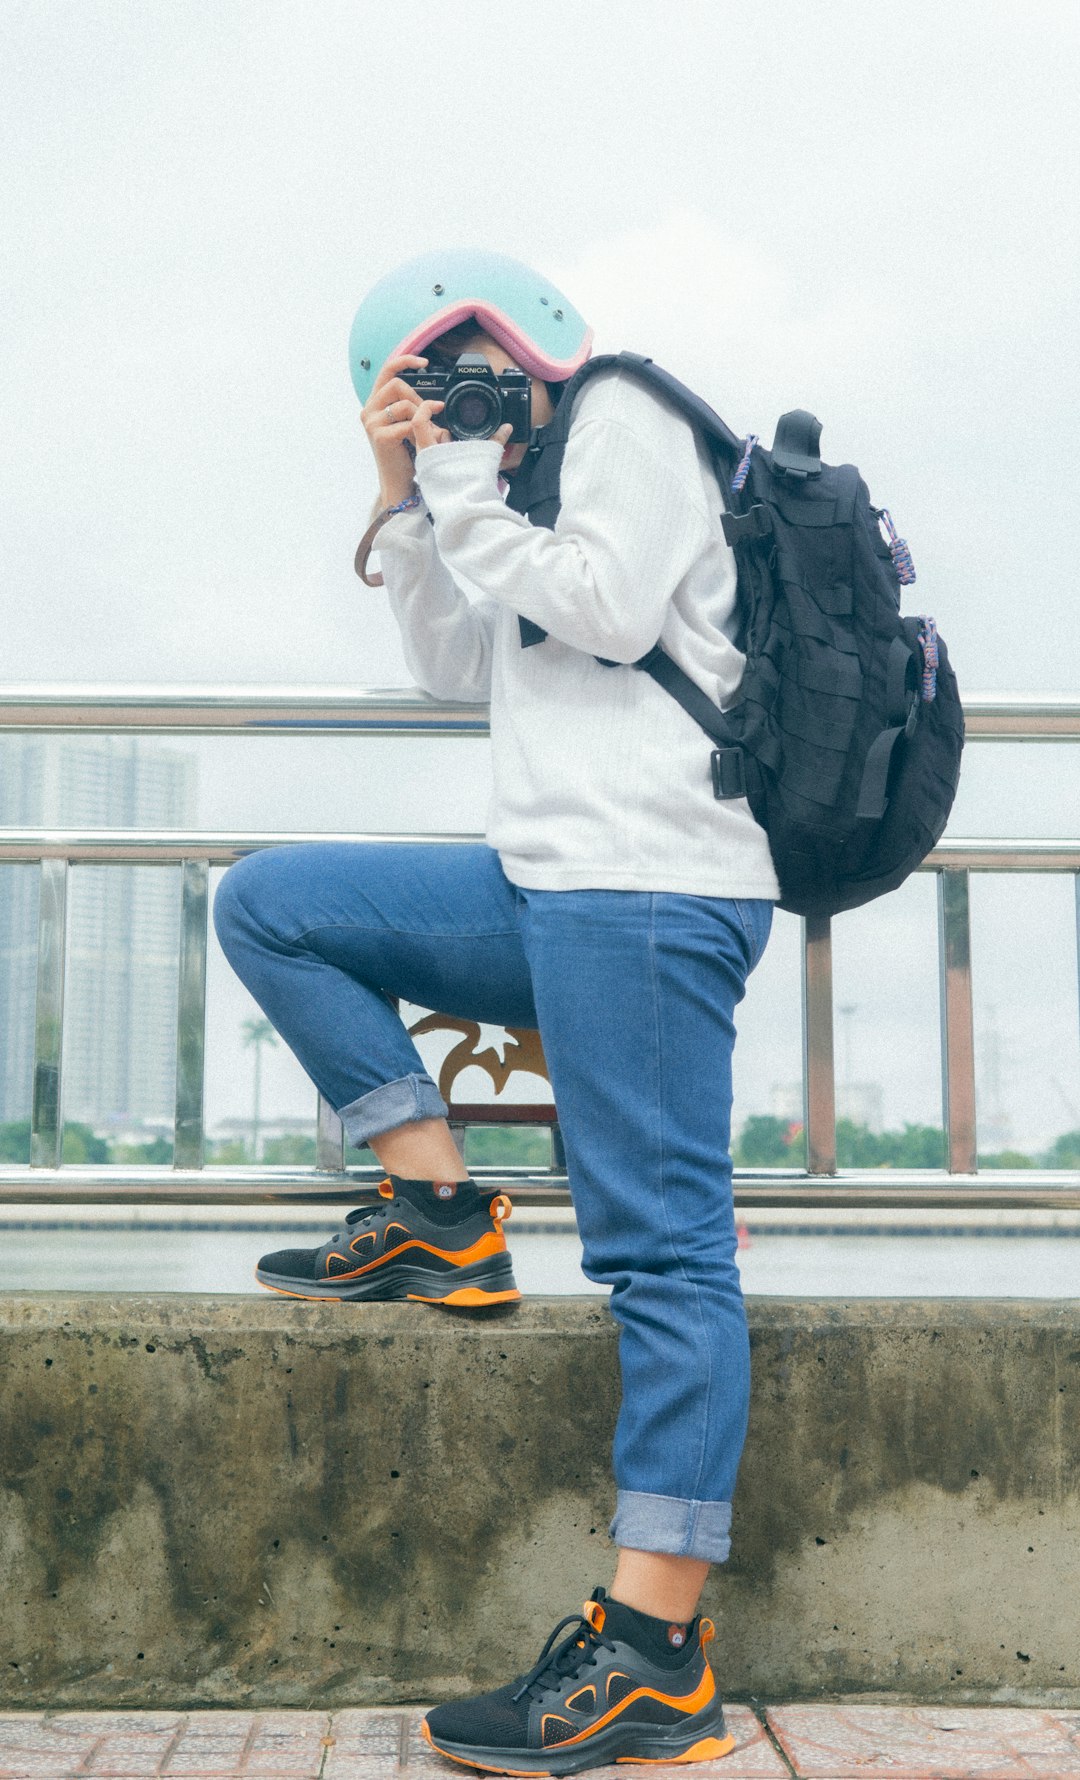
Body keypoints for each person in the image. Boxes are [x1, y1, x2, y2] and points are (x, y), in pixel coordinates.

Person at [212, 247, 779, 1774]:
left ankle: (656, 1653)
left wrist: (463, 474)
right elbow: (459, 662)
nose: (464, 398)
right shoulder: (500, 484)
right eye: (430, 387)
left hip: (653, 888)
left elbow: (601, 609)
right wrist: (409, 500)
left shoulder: (628, 421)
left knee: (664, 1254)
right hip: (550, 886)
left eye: (469, 370)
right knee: (270, 900)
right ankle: (440, 1213)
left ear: (518, 340)